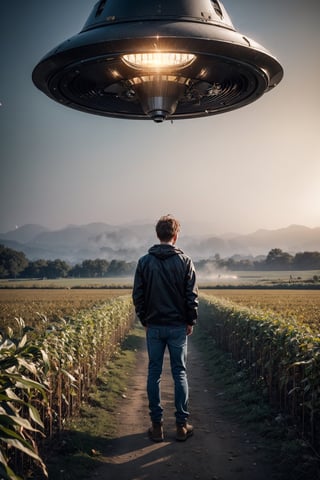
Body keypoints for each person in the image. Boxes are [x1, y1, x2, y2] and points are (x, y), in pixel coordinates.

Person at [132, 214, 198, 442]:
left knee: (154, 373)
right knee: (179, 372)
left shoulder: (144, 262)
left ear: (157, 235)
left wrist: (144, 319)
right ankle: (181, 426)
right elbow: (192, 296)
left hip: (155, 326)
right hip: (178, 326)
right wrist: (190, 320)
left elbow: (138, 296)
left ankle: (157, 426)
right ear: (176, 236)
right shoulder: (185, 261)